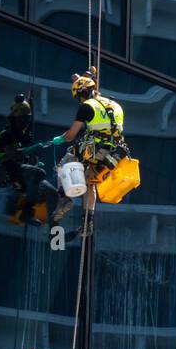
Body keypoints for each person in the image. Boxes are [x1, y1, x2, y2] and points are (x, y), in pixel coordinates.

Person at [47, 67, 128, 242]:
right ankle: (87, 222)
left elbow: (71, 135)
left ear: (80, 95)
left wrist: (60, 139)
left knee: (65, 164)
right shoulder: (113, 104)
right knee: (90, 182)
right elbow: (92, 92)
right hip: (114, 153)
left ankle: (64, 198)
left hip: (94, 150)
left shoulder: (86, 107)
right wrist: (86, 76)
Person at [0, 96, 58, 226]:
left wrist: (34, 163)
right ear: (16, 119)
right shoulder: (4, 136)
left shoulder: (20, 136)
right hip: (11, 175)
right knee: (39, 173)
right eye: (23, 120)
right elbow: (14, 155)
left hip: (23, 176)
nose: (25, 123)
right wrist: (32, 149)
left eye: (26, 120)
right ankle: (26, 213)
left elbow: (24, 156)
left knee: (53, 193)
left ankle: (53, 227)